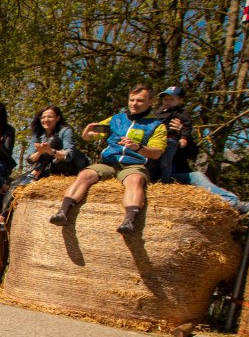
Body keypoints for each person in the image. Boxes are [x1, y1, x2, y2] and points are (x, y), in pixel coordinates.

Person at [50, 85, 166, 234]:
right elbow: (90, 136)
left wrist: (138, 148)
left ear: (150, 102)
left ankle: (129, 221)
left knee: (135, 181)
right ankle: (62, 212)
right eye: (132, 100)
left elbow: (156, 153)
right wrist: (87, 133)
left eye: (140, 100)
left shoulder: (156, 125)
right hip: (109, 162)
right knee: (85, 175)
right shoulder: (116, 120)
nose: (134, 104)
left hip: (134, 164)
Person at [0, 105, 87, 233]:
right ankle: (1, 219)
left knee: (53, 141)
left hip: (69, 168)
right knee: (15, 184)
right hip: (49, 167)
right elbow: (29, 159)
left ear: (57, 118)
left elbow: (69, 155)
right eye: (43, 117)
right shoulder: (39, 134)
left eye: (50, 116)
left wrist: (50, 151)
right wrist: (40, 152)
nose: (46, 119)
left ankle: (34, 175)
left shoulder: (65, 130)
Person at [152, 86, 249, 214]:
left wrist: (182, 135)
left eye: (171, 99)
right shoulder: (153, 118)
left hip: (175, 175)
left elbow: (193, 153)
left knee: (197, 176)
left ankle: (235, 205)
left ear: (180, 101)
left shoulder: (181, 121)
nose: (167, 102)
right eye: (165, 99)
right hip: (154, 173)